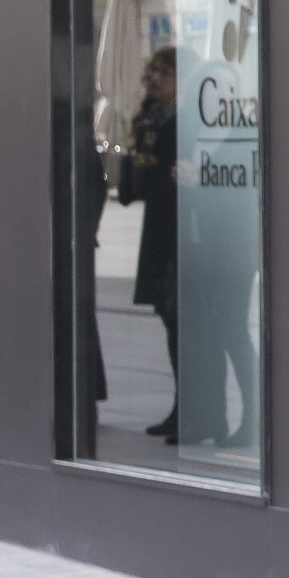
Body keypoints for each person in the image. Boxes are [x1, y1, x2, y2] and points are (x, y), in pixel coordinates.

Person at [119, 48, 180, 440]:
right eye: (152, 71)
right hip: (159, 231)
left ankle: (193, 406)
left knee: (181, 322)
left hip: (179, 231)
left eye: (164, 71)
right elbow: (132, 190)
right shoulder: (151, 120)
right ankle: (183, 405)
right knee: (169, 320)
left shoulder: (185, 119)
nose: (155, 78)